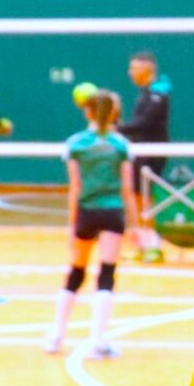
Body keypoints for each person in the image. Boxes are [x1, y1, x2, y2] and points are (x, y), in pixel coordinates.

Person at [43, 87, 137, 360]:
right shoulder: (120, 145)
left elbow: (75, 187)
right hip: (112, 213)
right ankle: (98, 341)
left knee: (76, 272)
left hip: (86, 212)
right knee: (106, 273)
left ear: (88, 111)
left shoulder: (76, 144)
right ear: (114, 113)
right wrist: (137, 226)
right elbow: (127, 189)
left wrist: (72, 224)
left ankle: (55, 336)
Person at [120, 51, 173, 262]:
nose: (130, 72)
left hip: (152, 153)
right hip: (141, 151)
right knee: (137, 197)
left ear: (146, 69)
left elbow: (145, 124)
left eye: (134, 68)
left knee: (144, 198)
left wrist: (116, 128)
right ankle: (143, 245)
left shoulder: (157, 94)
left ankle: (153, 246)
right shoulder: (146, 93)